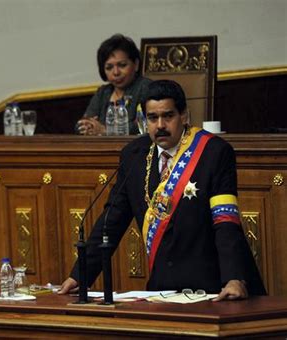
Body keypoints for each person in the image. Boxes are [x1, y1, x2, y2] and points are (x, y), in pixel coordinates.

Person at [60, 80, 266, 300]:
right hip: (163, 289)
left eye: (168, 116)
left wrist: (234, 278)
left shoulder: (214, 152)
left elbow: (225, 221)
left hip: (214, 287)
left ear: (184, 116)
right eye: (152, 118)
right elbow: (112, 221)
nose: (160, 125)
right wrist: (80, 276)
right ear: (143, 120)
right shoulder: (134, 155)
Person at [77, 34, 151, 136]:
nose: (116, 72)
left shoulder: (146, 87)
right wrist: (86, 126)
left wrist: (106, 131)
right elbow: (83, 122)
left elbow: (145, 125)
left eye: (122, 65)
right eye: (109, 67)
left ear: (136, 64)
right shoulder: (103, 93)